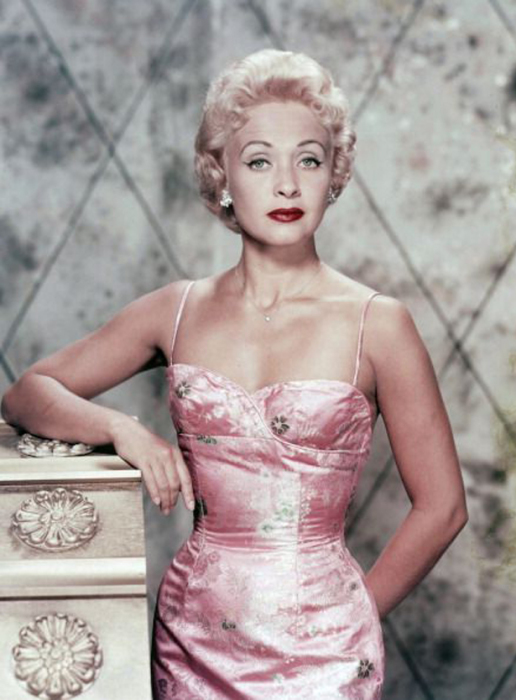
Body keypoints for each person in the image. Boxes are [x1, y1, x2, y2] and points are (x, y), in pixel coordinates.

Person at [1, 48, 468, 699]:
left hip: (328, 646)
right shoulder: (176, 310)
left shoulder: (378, 323)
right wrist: (123, 431)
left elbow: (443, 507)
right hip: (193, 638)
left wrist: (354, 613)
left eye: (309, 160)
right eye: (259, 161)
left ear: (334, 175)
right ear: (221, 175)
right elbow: (25, 394)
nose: (287, 185)